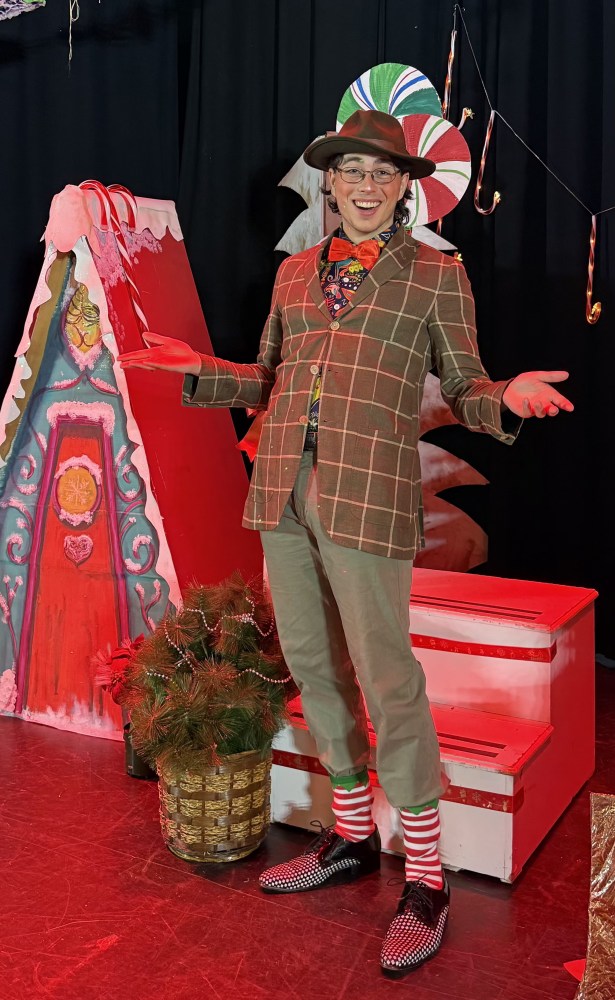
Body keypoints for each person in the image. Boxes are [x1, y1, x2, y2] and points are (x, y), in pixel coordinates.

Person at [119, 109, 573, 978]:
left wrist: (504, 398)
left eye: (382, 173)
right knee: (313, 666)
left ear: (403, 186)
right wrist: (197, 370)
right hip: (282, 491)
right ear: (329, 182)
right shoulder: (293, 275)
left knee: (387, 677)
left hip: (367, 501)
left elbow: (468, 383)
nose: (365, 186)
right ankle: (354, 838)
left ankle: (428, 879)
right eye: (350, 171)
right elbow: (272, 378)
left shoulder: (436, 276)